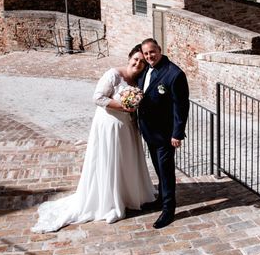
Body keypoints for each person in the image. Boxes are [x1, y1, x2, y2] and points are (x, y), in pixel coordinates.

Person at [32, 44, 155, 233]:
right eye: (135, 59)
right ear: (129, 57)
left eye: (142, 61)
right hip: (108, 126)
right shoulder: (114, 74)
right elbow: (97, 98)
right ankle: (109, 201)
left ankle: (126, 195)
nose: (138, 63)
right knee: (110, 161)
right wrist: (123, 106)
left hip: (127, 127)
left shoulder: (139, 79)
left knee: (125, 161)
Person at [138, 38, 189, 229]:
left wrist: (177, 133)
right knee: (158, 168)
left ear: (160, 50)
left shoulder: (174, 74)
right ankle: (161, 199)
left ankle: (169, 209)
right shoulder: (145, 69)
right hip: (149, 131)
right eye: (146, 53)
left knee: (166, 171)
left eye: (153, 52)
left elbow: (181, 107)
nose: (150, 56)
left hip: (166, 134)